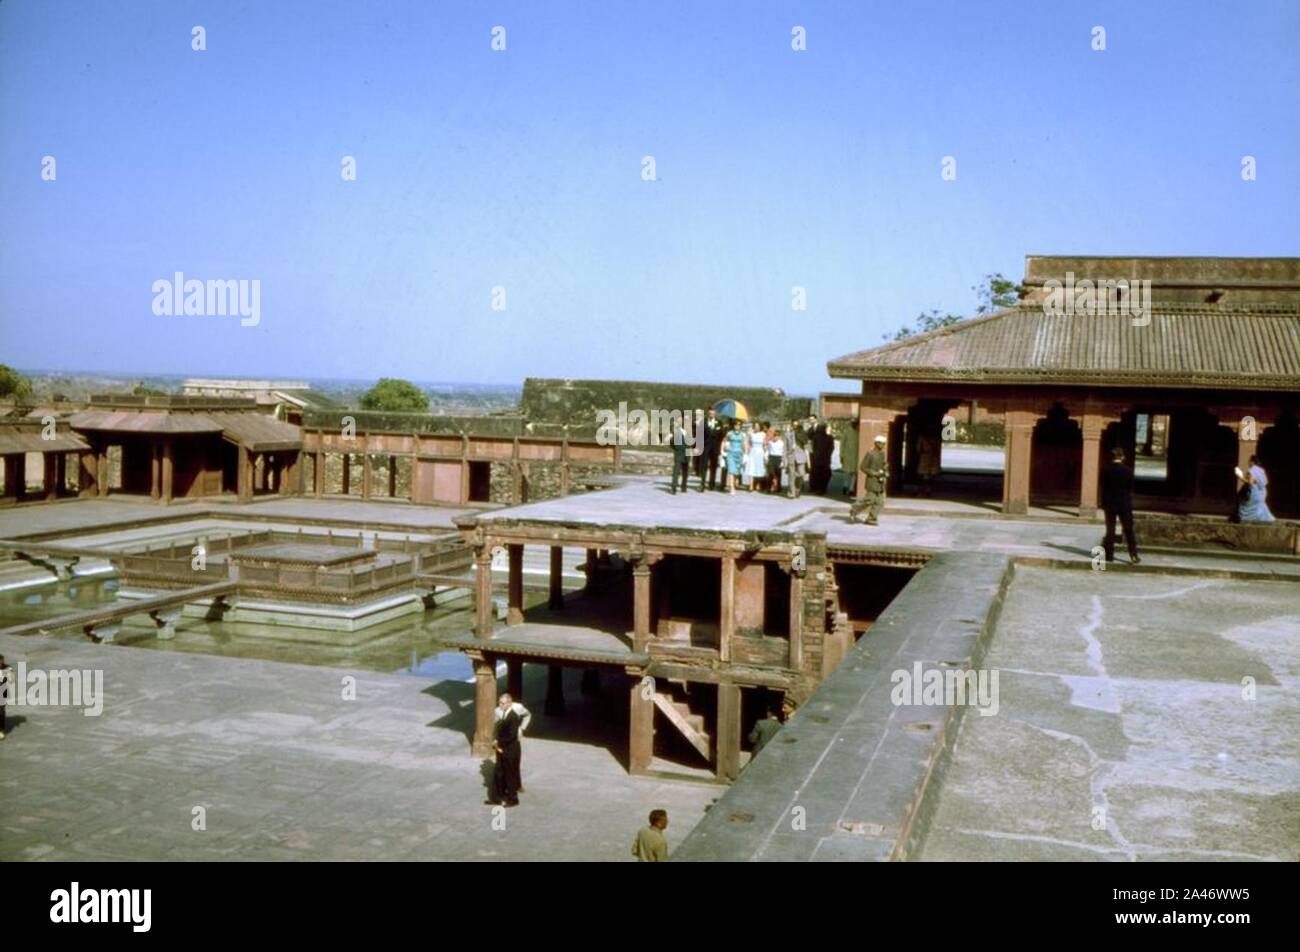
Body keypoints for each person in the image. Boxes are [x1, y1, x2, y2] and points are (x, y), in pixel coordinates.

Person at [1101, 447, 1141, 564]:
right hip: (1124, 503)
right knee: (1128, 530)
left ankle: (1109, 556)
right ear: (1122, 457)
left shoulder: (1106, 470)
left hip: (1110, 504)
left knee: (1110, 530)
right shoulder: (1128, 471)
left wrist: (1104, 504)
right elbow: (1130, 488)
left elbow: (1103, 488)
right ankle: (1133, 555)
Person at [487, 692, 524, 806]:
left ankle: (513, 799)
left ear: (509, 703)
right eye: (500, 703)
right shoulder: (503, 714)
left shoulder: (513, 717)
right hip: (502, 749)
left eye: (503, 703)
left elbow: (512, 735)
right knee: (499, 773)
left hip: (510, 750)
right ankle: (496, 797)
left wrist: (498, 743)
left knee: (509, 774)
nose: (501, 705)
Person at [850, 434, 888, 525]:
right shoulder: (870, 454)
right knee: (869, 499)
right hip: (872, 480)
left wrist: (885, 469)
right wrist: (873, 473)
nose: (882, 445)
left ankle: (872, 518)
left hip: (880, 480)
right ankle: (855, 509)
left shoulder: (882, 454)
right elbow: (863, 467)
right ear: (876, 443)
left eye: (884, 443)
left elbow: (883, 465)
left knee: (880, 501)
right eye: (881, 443)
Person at [1234, 456, 1275, 523]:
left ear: (1252, 462)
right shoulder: (1261, 470)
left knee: (1246, 505)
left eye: (1249, 461)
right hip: (1262, 492)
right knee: (1260, 505)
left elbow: (1250, 482)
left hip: (1255, 492)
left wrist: (1240, 477)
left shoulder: (1252, 470)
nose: (1248, 463)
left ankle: (1247, 519)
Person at [701, 408, 724, 492]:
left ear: (715, 414)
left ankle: (711, 484)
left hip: (715, 447)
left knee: (713, 466)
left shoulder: (719, 423)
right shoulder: (703, 422)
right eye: (710, 413)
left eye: (713, 413)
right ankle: (702, 484)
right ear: (708, 414)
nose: (711, 415)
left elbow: (721, 435)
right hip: (705, 447)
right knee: (704, 466)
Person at [669, 415, 691, 494]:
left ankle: (684, 486)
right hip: (679, 452)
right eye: (679, 421)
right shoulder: (675, 430)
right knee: (676, 470)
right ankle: (674, 486)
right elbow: (671, 443)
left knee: (685, 470)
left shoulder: (688, 431)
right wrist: (676, 449)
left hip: (687, 452)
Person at [915, 431, 941, 497]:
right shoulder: (924, 439)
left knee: (928, 477)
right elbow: (919, 449)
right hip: (927, 459)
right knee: (924, 476)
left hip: (928, 459)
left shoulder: (932, 439)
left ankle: (926, 491)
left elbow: (919, 449)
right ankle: (925, 491)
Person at [810, 423, 834, 494]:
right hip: (826, 459)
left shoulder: (815, 437)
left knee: (817, 474)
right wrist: (828, 454)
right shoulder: (830, 438)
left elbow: (813, 448)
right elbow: (831, 448)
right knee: (826, 474)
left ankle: (817, 489)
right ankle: (823, 488)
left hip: (817, 459)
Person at [723, 419, 745, 494]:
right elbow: (724, 441)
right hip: (731, 453)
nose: (737, 426)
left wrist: (746, 454)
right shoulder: (729, 433)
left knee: (737, 471)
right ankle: (732, 487)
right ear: (733, 425)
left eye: (739, 425)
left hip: (739, 454)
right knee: (731, 470)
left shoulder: (743, 434)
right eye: (736, 424)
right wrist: (725, 448)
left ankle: (734, 484)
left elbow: (745, 444)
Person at [745, 421, 767, 492]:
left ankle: (757, 484)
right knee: (752, 467)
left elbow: (764, 444)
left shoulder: (763, 434)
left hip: (760, 452)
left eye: (758, 426)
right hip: (753, 451)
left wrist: (766, 454)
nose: (757, 427)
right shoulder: (751, 434)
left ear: (760, 427)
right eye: (755, 426)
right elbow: (748, 443)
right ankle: (751, 485)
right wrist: (746, 453)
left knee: (759, 468)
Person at [766, 425, 784, 494]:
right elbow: (768, 451)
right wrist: (766, 458)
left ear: (779, 436)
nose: (776, 437)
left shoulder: (781, 443)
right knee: (771, 474)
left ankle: (778, 488)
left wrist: (782, 461)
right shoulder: (770, 443)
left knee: (778, 474)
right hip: (771, 458)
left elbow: (783, 452)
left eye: (777, 435)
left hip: (778, 458)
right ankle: (769, 488)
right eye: (774, 435)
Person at [0, 654, 10, 740]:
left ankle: (1, 730)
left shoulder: (7, 668)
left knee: (1, 712)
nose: (1, 663)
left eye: (1, 661)